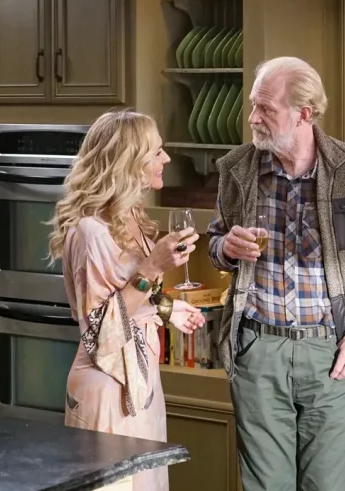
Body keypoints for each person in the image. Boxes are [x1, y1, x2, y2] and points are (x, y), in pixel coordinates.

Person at [206, 56, 345, 491]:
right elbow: (215, 242)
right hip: (258, 350)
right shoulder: (236, 170)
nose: (252, 118)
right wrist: (225, 248)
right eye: (253, 106)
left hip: (332, 352)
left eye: (265, 109)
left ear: (304, 114)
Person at [47, 110, 206, 491]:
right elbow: (101, 331)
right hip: (107, 387)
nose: (166, 158)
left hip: (141, 383)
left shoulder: (130, 216)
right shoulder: (91, 231)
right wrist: (153, 266)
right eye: (156, 151)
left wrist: (167, 308)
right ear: (129, 163)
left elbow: (129, 299)